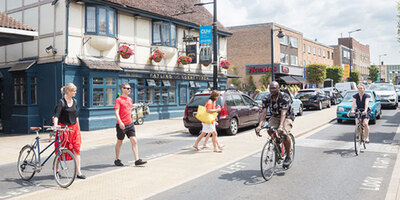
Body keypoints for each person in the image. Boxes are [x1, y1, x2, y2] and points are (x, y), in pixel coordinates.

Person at [255, 81, 294, 167]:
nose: (272, 90)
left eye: (274, 88)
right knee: (269, 129)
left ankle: (288, 156)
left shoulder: (284, 97)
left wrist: (280, 127)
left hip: (287, 116)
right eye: (270, 88)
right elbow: (263, 113)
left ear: (278, 88)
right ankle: (277, 145)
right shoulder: (266, 98)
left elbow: (283, 113)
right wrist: (259, 125)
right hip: (275, 116)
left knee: (283, 133)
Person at [53, 83, 86, 179]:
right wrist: (55, 125)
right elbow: (56, 115)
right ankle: (56, 170)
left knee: (77, 150)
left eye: (75, 90)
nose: (75, 92)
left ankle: (79, 172)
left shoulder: (75, 101)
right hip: (64, 129)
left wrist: (79, 129)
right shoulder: (61, 102)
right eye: (73, 91)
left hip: (74, 129)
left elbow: (76, 116)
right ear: (68, 91)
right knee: (60, 150)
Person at [114, 83, 147, 166]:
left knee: (134, 140)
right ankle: (117, 159)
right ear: (122, 89)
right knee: (119, 142)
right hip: (121, 125)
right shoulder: (118, 100)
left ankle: (137, 160)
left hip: (130, 124)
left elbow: (130, 110)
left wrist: (133, 119)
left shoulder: (130, 99)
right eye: (127, 88)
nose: (129, 90)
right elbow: (116, 112)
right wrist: (120, 122)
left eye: (129, 88)